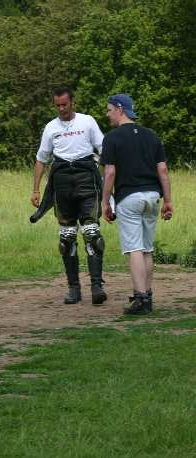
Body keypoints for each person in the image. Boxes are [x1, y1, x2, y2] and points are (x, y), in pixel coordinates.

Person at [31, 86, 107, 305]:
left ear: (72, 102)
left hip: (87, 180)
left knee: (92, 233)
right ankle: (73, 288)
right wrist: (36, 189)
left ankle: (96, 286)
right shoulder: (50, 127)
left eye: (64, 104)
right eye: (57, 105)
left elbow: (104, 149)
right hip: (62, 183)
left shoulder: (87, 121)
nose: (61, 109)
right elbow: (41, 159)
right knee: (66, 237)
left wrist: (110, 183)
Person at [101, 93, 173, 315]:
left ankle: (141, 299)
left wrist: (105, 202)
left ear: (120, 109)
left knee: (134, 248)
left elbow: (110, 172)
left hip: (129, 198)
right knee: (147, 249)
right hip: (152, 196)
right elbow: (162, 169)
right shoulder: (151, 135)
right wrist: (168, 200)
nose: (108, 114)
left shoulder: (111, 138)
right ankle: (147, 294)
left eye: (109, 109)